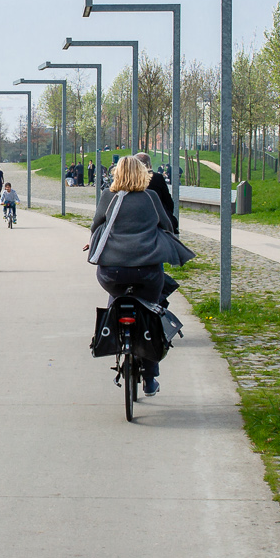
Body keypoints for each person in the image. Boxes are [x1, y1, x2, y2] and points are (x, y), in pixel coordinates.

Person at [85, 154, 189, 396]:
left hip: (112, 272)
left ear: (116, 174)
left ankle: (107, 336)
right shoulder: (151, 198)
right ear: (143, 174)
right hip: (147, 272)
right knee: (150, 312)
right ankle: (150, 378)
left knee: (116, 296)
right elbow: (168, 227)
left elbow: (95, 227)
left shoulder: (108, 197)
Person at [136, 151, 177, 223]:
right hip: (156, 219)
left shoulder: (128, 179)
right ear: (150, 166)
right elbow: (167, 200)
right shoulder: (157, 178)